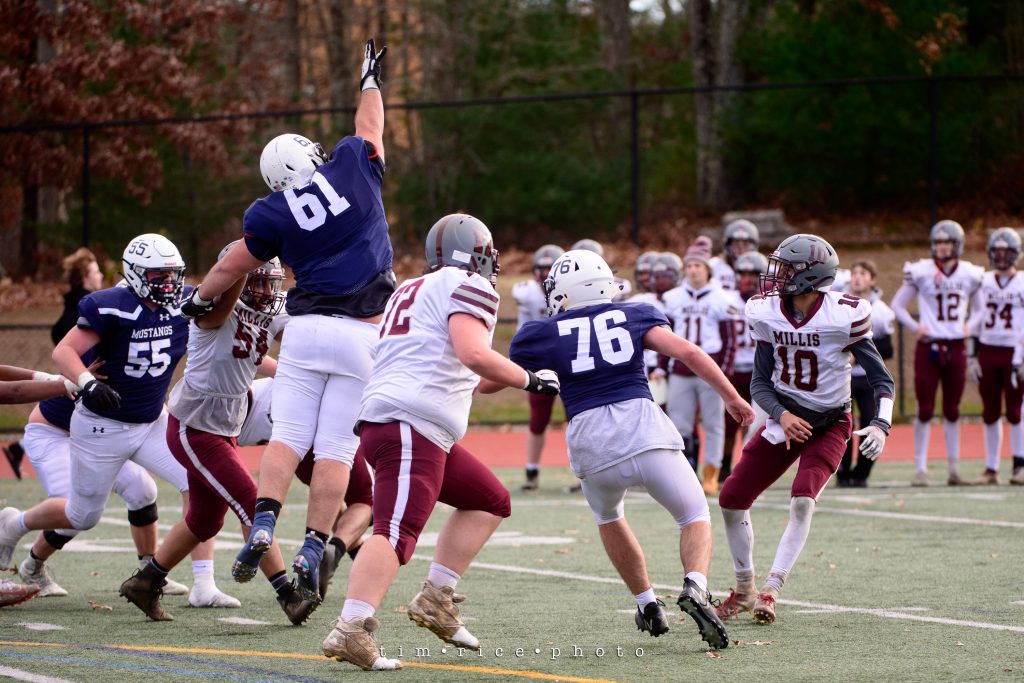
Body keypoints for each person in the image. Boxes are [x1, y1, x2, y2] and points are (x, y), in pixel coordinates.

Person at [179, 40, 392, 600]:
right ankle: (314, 545)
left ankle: (264, 523)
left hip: (304, 330)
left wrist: (200, 298)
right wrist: (369, 80)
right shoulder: (351, 165)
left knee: (290, 436)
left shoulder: (269, 212)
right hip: (361, 334)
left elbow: (233, 263)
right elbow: (369, 126)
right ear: (310, 157)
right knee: (336, 448)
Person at [321, 214, 558, 672]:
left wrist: (519, 372)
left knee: (490, 500)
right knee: (394, 532)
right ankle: (351, 628)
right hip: (411, 425)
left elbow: (470, 374)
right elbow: (473, 353)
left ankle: (436, 597)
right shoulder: (469, 285)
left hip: (406, 424)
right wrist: (530, 381)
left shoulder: (411, 289)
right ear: (477, 256)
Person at [511, 249, 753, 648]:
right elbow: (689, 352)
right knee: (694, 514)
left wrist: (528, 377)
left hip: (590, 440)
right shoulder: (635, 313)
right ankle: (695, 586)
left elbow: (490, 379)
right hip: (642, 429)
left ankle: (647, 604)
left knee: (609, 516)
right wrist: (731, 397)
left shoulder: (541, 333)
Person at [0, 234, 236, 608]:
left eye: (173, 275)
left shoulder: (184, 302)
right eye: (159, 276)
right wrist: (87, 382)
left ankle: (201, 583)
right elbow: (64, 351)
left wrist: (243, 266)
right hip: (98, 427)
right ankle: (13, 526)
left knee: (198, 482)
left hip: (150, 421)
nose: (169, 284)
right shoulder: (110, 305)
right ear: (136, 274)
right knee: (82, 515)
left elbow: (220, 305)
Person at [118, 246, 315, 622]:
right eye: (257, 281)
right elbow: (224, 305)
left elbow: (303, 328)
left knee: (206, 520)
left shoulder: (269, 308)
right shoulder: (213, 309)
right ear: (237, 278)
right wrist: (247, 257)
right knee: (253, 503)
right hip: (195, 426)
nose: (266, 292)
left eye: (270, 283)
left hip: (225, 425)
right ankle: (287, 595)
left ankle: (144, 582)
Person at [715, 234, 894, 626]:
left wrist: (881, 423)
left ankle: (771, 589)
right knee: (731, 498)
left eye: (786, 269)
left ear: (810, 276)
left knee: (802, 499)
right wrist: (781, 415)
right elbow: (760, 383)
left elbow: (882, 379)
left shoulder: (843, 314)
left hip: (830, 423)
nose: (776, 276)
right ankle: (744, 589)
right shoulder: (767, 312)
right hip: (786, 419)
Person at [239, 376, 374, 599]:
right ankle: (333, 549)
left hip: (290, 448)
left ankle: (349, 552)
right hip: (324, 428)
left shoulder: (223, 413)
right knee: (365, 502)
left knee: (329, 495)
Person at [890, 220, 983, 486]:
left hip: (956, 345)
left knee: (952, 409)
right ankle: (921, 469)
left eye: (947, 242)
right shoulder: (921, 271)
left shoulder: (970, 274)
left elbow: (980, 309)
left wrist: (970, 326)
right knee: (925, 408)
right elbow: (897, 305)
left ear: (958, 245)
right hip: (929, 346)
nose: (941, 247)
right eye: (938, 242)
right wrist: (915, 327)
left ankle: (953, 469)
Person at [3, 249, 103, 479]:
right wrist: (73, 380)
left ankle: (19, 448)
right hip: (81, 380)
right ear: (84, 277)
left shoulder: (82, 304)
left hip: (76, 379)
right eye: (95, 271)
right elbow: (13, 392)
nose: (100, 276)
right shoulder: (86, 309)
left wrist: (52, 379)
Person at [661, 241, 740, 495]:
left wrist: (723, 371)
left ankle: (711, 474)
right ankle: (684, 473)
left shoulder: (722, 298)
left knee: (714, 424)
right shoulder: (672, 298)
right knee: (679, 425)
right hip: (681, 369)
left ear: (707, 269)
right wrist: (662, 367)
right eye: (689, 266)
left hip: (710, 369)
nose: (693, 270)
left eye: (698, 265)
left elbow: (730, 340)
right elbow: (663, 336)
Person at [966, 228, 1024, 485]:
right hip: (988, 350)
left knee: (1016, 410)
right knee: (990, 411)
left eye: (1006, 251)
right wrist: (972, 356)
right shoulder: (983, 281)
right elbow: (975, 320)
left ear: (1016, 253)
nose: (1001, 256)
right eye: (997, 251)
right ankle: (992, 468)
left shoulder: (1022, 282)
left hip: (1015, 350)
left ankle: (1020, 464)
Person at [837, 260, 895, 487]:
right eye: (854, 273)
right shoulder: (837, 303)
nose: (857, 277)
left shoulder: (880, 311)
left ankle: (861, 474)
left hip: (868, 378)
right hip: (842, 377)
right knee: (842, 426)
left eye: (863, 273)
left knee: (872, 422)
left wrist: (859, 355)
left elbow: (887, 349)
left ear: (872, 280)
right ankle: (842, 473)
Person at [512, 244, 564, 491]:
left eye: (549, 269)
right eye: (541, 269)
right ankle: (531, 470)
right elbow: (522, 330)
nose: (544, 274)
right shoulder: (528, 293)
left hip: (568, 358)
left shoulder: (572, 290)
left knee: (577, 416)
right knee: (538, 418)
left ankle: (584, 471)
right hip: (541, 361)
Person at [721, 251, 769, 482]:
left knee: (756, 423)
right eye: (743, 274)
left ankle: (747, 468)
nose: (747, 279)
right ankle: (724, 467)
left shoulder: (770, 303)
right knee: (729, 423)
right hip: (733, 369)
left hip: (758, 371)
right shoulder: (726, 299)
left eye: (752, 274)